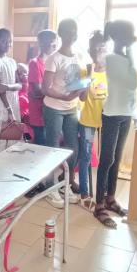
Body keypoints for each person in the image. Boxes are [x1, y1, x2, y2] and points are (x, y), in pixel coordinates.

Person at [42, 19, 89, 207]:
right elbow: (45, 88)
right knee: (53, 149)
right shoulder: (54, 58)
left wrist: (84, 89)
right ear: (61, 34)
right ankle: (50, 188)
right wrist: (65, 96)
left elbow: (80, 82)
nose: (73, 34)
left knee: (73, 148)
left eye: (75, 31)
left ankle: (65, 184)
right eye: (69, 31)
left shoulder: (79, 56)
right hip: (53, 108)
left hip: (72, 108)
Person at [96, 20, 137, 219]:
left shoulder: (127, 58)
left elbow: (133, 88)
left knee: (117, 159)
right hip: (111, 114)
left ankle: (110, 199)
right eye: (130, 34)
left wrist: (135, 114)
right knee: (107, 160)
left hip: (126, 114)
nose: (133, 38)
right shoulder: (110, 58)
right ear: (119, 37)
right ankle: (99, 205)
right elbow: (130, 83)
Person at [77, 31, 114, 226]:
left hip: (107, 121)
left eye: (104, 49)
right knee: (85, 157)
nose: (100, 53)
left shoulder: (112, 72)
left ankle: (104, 193)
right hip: (88, 121)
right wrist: (89, 76)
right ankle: (84, 193)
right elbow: (82, 97)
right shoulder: (86, 70)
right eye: (97, 49)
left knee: (106, 159)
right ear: (91, 51)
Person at [0, 29, 21, 154]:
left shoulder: (12, 61)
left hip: (14, 102)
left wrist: (7, 87)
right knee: (0, 138)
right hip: (2, 104)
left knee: (13, 138)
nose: (8, 44)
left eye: (10, 41)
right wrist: (9, 110)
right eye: (4, 41)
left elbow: (20, 85)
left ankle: (11, 165)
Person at [28, 30, 57, 146]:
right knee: (41, 148)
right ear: (42, 44)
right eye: (52, 44)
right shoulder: (35, 63)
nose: (55, 47)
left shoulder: (52, 63)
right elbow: (38, 90)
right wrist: (57, 92)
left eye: (56, 44)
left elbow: (44, 90)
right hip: (39, 115)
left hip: (50, 112)